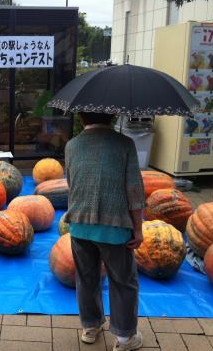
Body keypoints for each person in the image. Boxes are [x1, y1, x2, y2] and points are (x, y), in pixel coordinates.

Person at [64, 112, 145, 351]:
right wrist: (138, 229)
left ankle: (90, 327)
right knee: (123, 281)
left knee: (86, 278)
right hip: (115, 227)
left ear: (81, 117)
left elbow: (72, 182)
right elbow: (134, 191)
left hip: (79, 225)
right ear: (113, 116)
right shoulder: (125, 144)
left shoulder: (72, 145)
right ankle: (124, 339)